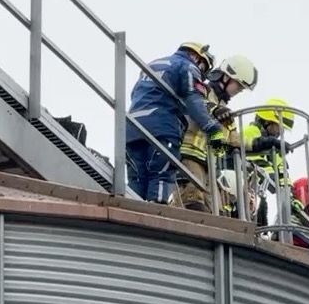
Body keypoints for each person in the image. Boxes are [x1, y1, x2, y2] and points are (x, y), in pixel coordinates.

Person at [125, 42, 225, 204]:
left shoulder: (152, 65)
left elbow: (135, 94)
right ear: (197, 57)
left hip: (131, 127)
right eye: (204, 67)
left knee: (137, 179)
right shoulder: (188, 67)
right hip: (162, 127)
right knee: (161, 176)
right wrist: (213, 128)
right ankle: (155, 214)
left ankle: (130, 211)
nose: (202, 72)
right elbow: (194, 101)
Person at [176, 55, 257, 212]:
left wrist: (261, 143)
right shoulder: (202, 91)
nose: (239, 91)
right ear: (226, 77)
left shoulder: (225, 110)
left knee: (215, 212)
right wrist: (214, 109)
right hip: (189, 155)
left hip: (209, 165)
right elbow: (194, 105)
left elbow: (233, 139)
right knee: (192, 203)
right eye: (238, 86)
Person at [242, 98, 295, 226]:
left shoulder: (273, 145)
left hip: (256, 193)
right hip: (243, 189)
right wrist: (272, 178)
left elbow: (281, 167)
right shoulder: (250, 132)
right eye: (279, 127)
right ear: (267, 121)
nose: (281, 132)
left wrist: (290, 194)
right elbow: (256, 161)